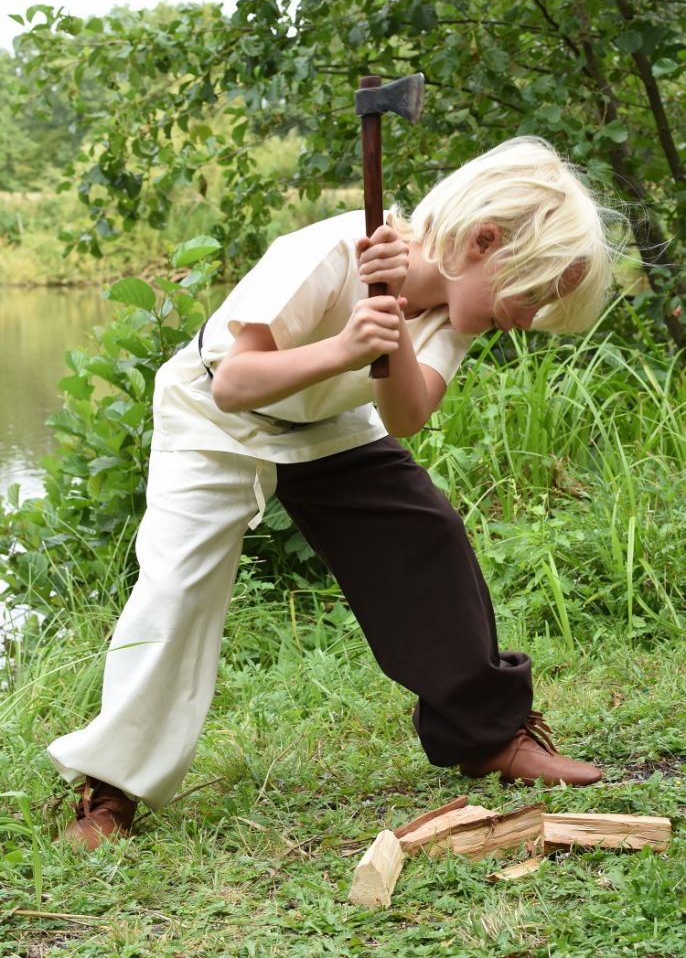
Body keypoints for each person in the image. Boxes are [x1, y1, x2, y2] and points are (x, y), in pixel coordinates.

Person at [49, 137, 620, 850]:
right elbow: (235, 382)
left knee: (427, 536)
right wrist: (348, 347)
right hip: (212, 418)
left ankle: (489, 735)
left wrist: (389, 344)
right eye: (533, 293)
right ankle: (112, 788)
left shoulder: (455, 314)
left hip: (323, 424)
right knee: (177, 589)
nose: (529, 319)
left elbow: (406, 415)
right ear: (484, 240)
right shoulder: (332, 250)